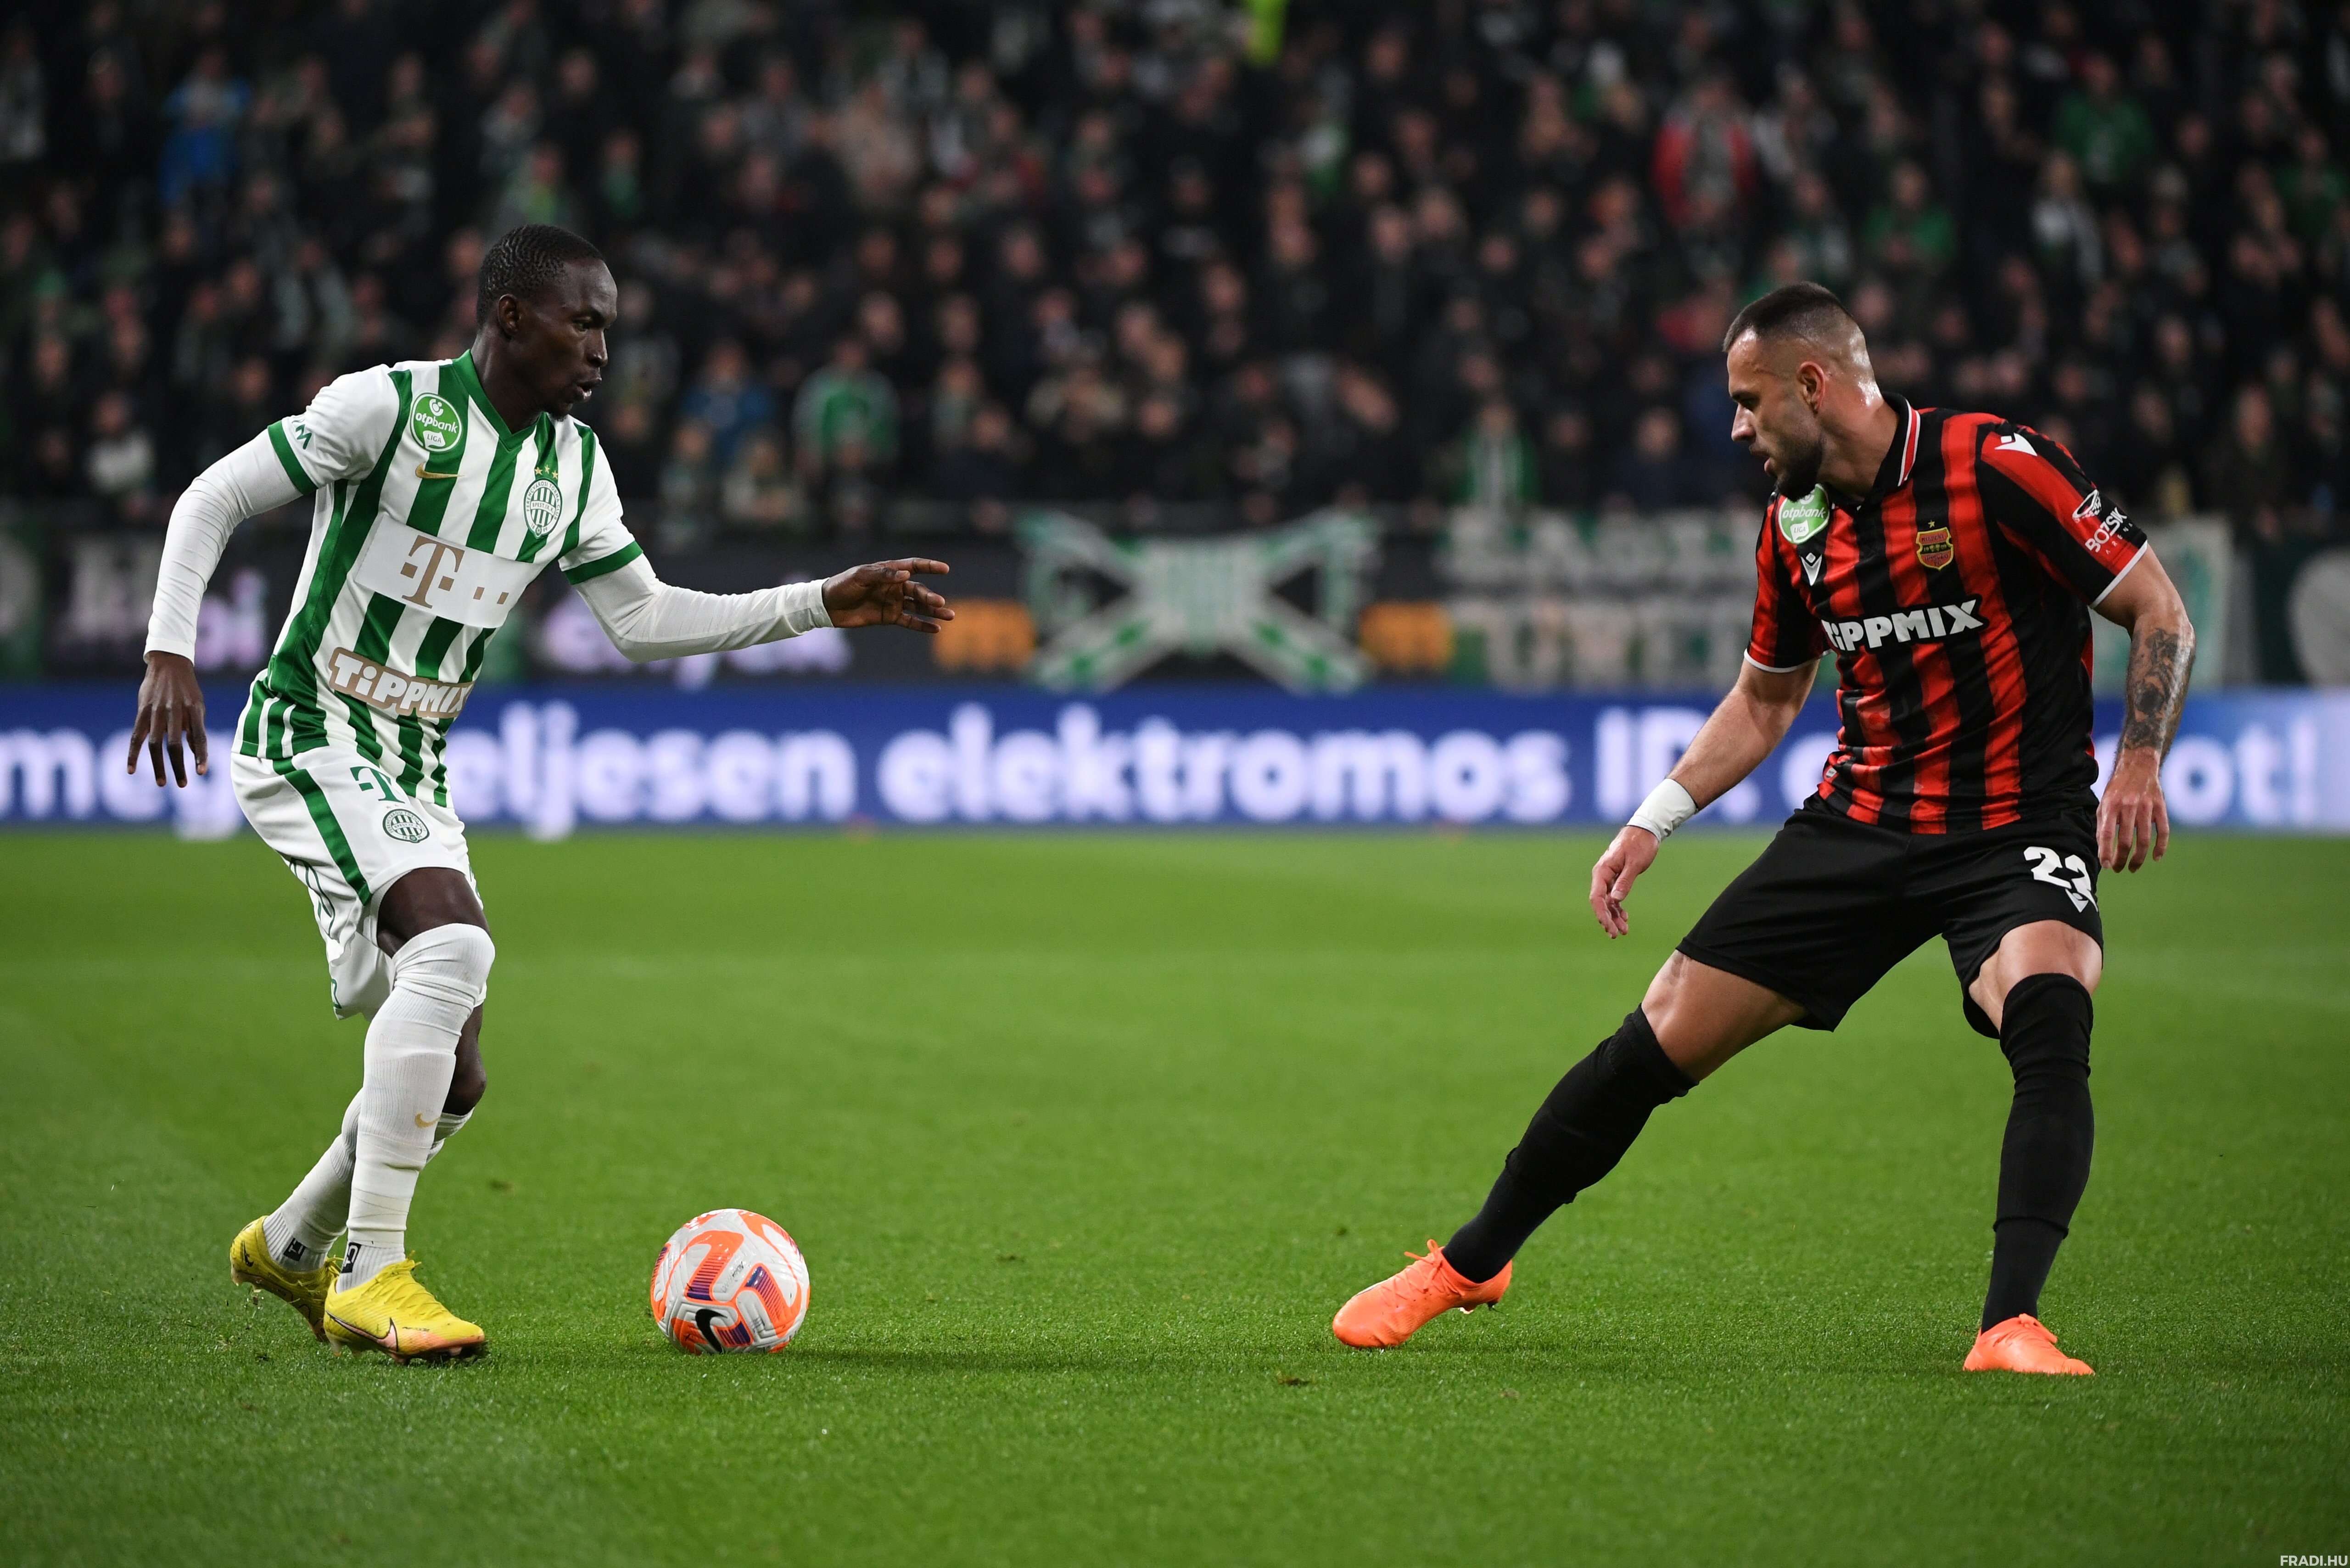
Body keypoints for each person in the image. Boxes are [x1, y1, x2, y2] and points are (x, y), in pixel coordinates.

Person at [1331, 283, 2195, 1376]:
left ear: (1812, 384)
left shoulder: (1995, 466)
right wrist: (1655, 818)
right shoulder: (1797, 526)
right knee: (1656, 1037)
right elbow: (1764, 700)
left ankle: (2008, 1325)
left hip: (2014, 821)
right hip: (1861, 823)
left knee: (2048, 1008)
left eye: (1748, 402)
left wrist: (2139, 759)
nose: (1737, 428)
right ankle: (1468, 1264)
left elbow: (2158, 609)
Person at [124, 225, 952, 1361]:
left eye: (609, 326)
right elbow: (213, 497)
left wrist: (818, 601)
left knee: (456, 1077)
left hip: (414, 760)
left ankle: (292, 1243)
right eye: (585, 321)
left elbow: (642, 619)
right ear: (511, 317)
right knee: (453, 949)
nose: (603, 348)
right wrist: (170, 648)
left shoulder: (573, 466)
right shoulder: (388, 409)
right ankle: (372, 1273)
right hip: (314, 727)